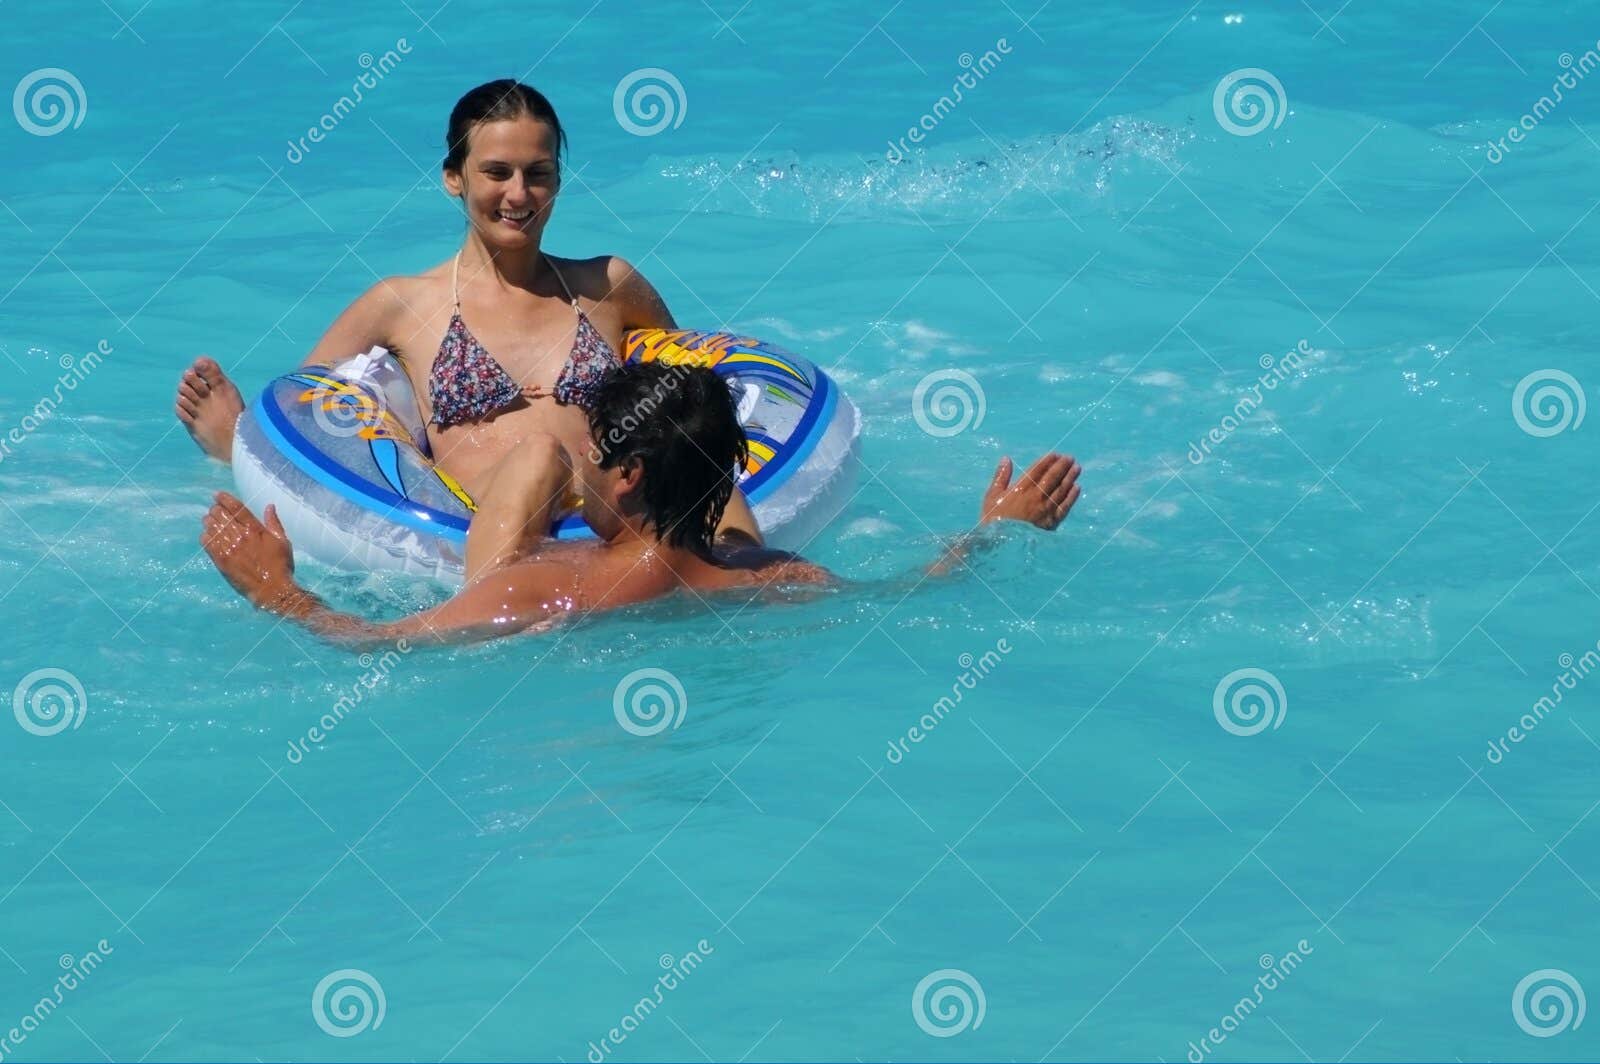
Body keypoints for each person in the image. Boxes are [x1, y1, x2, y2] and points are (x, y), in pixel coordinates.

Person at [175, 78, 762, 553]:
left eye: (538, 173)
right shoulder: (403, 303)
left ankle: (750, 576)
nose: (519, 194)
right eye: (496, 172)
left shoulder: (607, 284)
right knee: (539, 455)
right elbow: (312, 418)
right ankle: (231, 443)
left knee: (702, 456)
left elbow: (684, 396)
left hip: (617, 512)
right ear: (453, 178)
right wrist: (246, 440)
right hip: (481, 525)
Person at [201, 363, 1084, 646]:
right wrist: (990, 531)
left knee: (532, 453)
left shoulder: (539, 585)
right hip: (696, 570)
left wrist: (280, 592)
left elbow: (375, 649)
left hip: (588, 603)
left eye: (595, 458)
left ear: (622, 480)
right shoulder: (774, 574)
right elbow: (910, 590)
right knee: (690, 495)